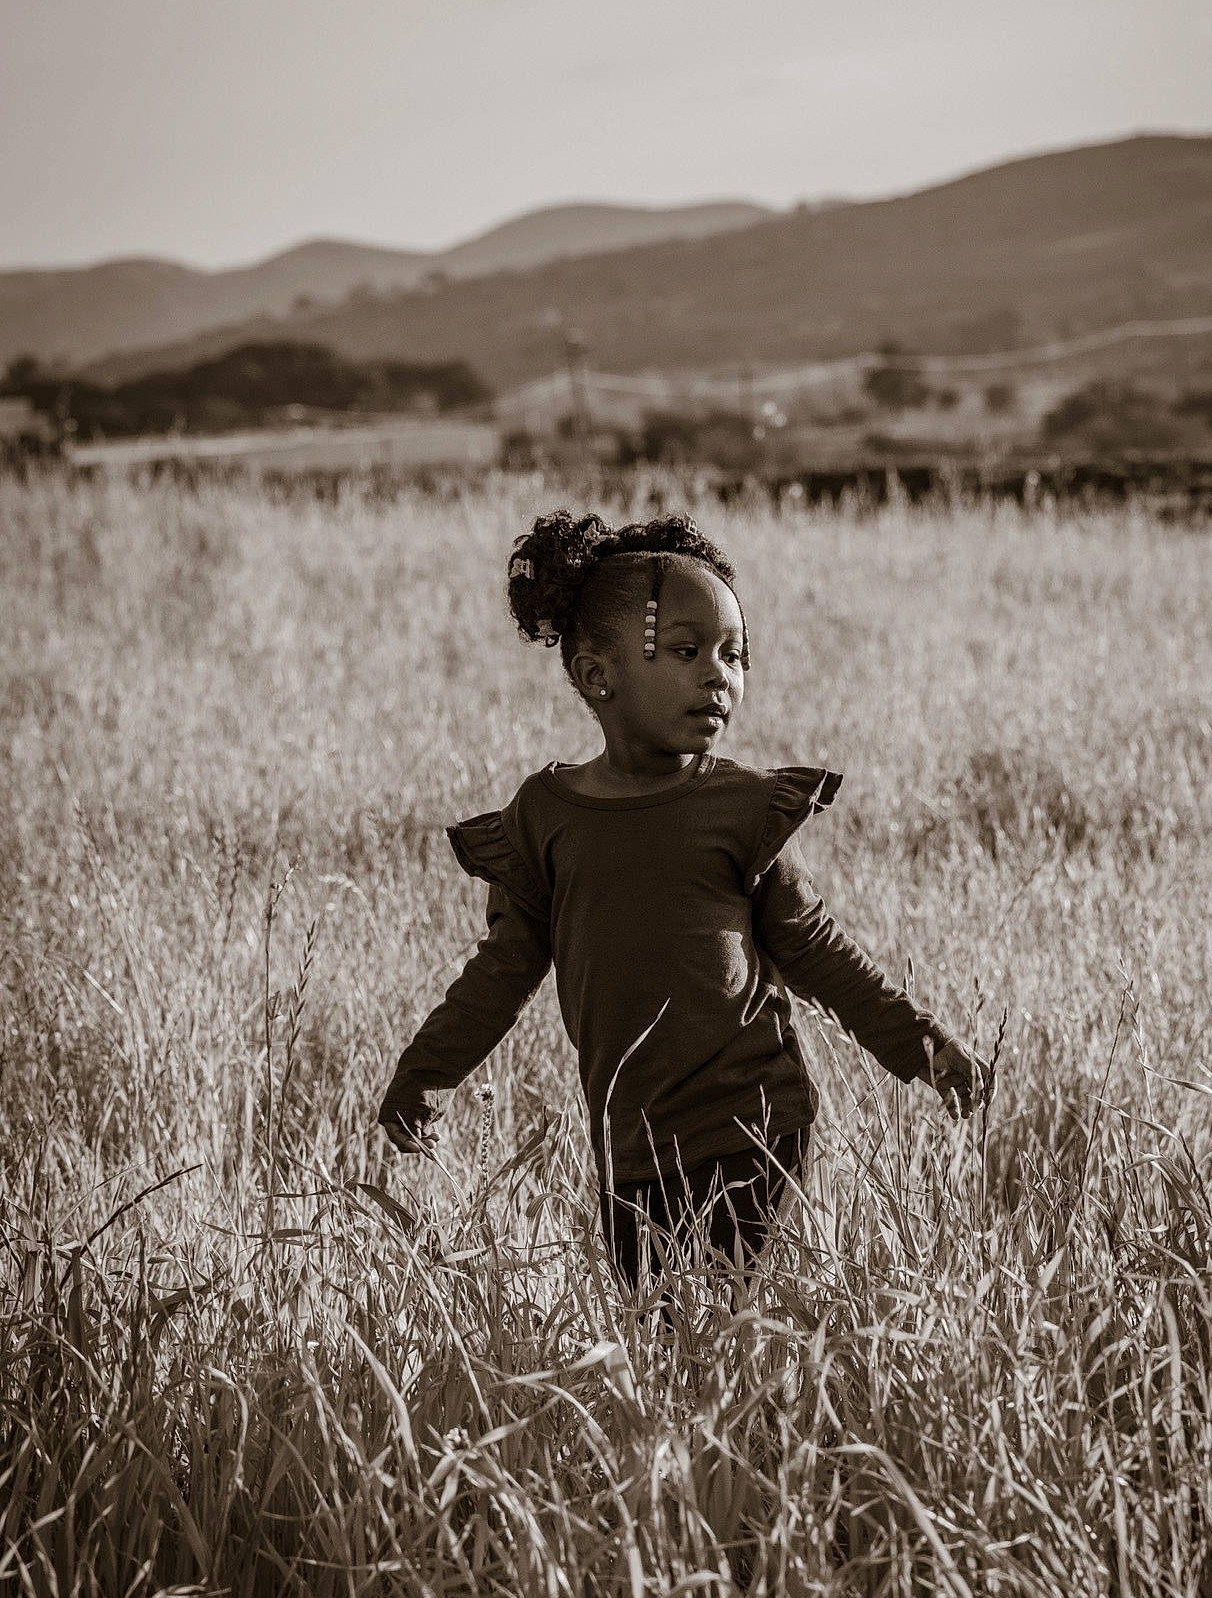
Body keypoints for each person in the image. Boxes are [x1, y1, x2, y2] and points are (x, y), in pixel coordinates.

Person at [378, 508, 981, 1296]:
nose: (719, 676)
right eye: (689, 651)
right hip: (631, 1149)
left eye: (735, 655)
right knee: (660, 1339)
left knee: (740, 1327)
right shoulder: (543, 819)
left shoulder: (738, 805)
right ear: (598, 676)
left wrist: (924, 1048)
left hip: (758, 1126)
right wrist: (426, 1074)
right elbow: (503, 970)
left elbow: (815, 948)